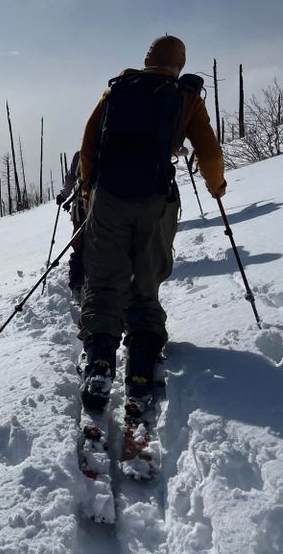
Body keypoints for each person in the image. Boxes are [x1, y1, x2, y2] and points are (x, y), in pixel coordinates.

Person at [77, 35, 225, 411]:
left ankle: (98, 363)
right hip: (155, 202)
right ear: (180, 63)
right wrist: (217, 186)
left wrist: (88, 191)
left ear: (146, 59)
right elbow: (209, 151)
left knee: (105, 281)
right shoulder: (186, 98)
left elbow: (89, 142)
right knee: (145, 284)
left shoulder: (116, 91)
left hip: (109, 198)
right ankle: (141, 365)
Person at [56, 150, 85, 301]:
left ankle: (78, 285)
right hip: (107, 210)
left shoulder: (81, 154)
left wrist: (63, 195)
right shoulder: (115, 148)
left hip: (81, 209)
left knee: (79, 246)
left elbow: (70, 178)